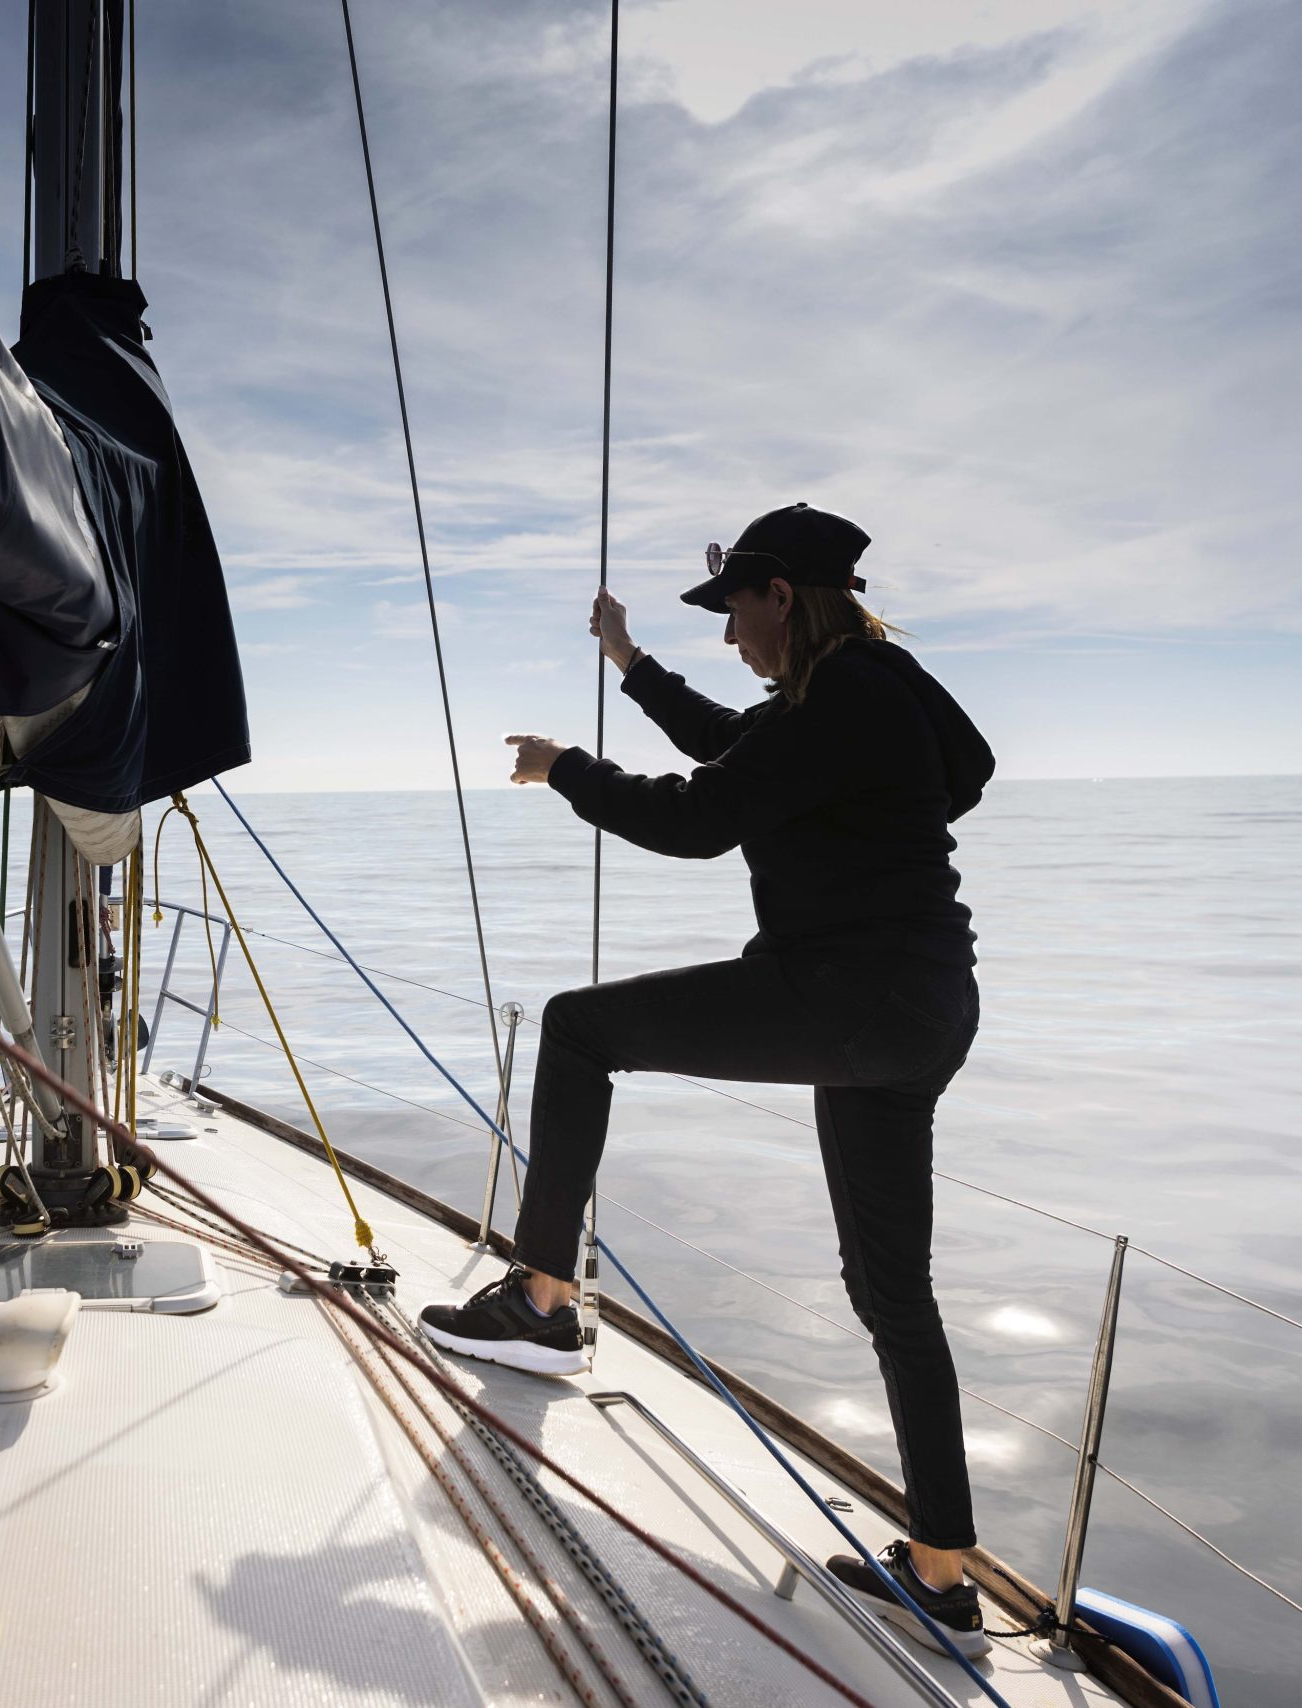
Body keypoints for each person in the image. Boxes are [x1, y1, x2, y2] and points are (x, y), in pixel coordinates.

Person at [417, 502, 997, 1654]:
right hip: (922, 1006)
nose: (730, 634)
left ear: (781, 593)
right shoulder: (880, 686)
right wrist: (634, 666)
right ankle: (939, 1576)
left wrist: (566, 768)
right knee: (893, 1293)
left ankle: (538, 1306)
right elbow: (927, 768)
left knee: (579, 1031)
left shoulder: (847, 694)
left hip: (848, 993)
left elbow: (700, 817)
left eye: (733, 607)